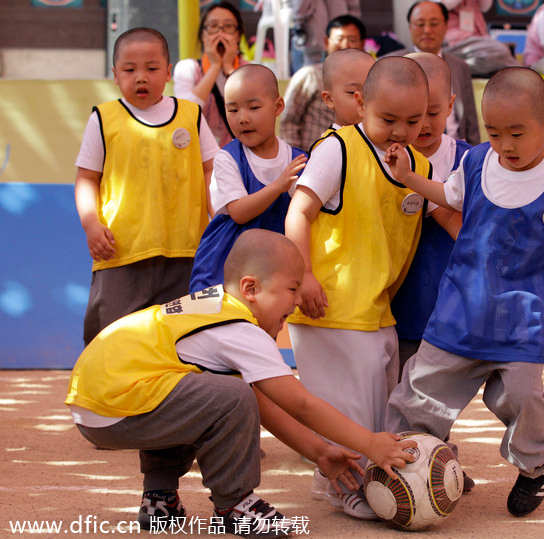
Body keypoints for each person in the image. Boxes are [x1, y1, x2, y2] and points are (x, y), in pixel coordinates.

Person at [383, 66, 544, 517]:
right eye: (494, 132)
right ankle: (405, 464)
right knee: (420, 389)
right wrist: (409, 178)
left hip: (522, 325)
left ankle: (535, 467)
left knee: (522, 399)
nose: (505, 144)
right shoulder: (475, 162)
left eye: (516, 133)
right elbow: (447, 195)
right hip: (459, 315)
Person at [65, 229, 415, 536]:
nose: (296, 302)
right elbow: (300, 404)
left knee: (199, 393)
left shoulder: (214, 307)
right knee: (228, 396)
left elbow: (262, 406)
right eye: (292, 289)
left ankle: (160, 498)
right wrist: (370, 443)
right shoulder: (240, 330)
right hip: (117, 401)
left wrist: (320, 452)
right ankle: (235, 504)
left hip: (100, 402)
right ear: (251, 288)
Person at [284, 56, 455, 520]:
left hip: (377, 310)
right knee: (351, 413)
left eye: (414, 120)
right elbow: (299, 211)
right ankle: (344, 486)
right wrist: (304, 276)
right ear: (360, 104)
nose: (401, 131)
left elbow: (447, 215)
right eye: (388, 119)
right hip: (330, 305)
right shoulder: (337, 149)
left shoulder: (415, 164)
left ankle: (341, 480)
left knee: (381, 414)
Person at [74, 28, 217, 347]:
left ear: (168, 72)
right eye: (129, 69)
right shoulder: (104, 118)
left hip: (186, 253)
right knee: (111, 340)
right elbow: (86, 178)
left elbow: (211, 171)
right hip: (121, 251)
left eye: (152, 68)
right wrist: (91, 224)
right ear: (115, 75)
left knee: (180, 343)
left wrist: (219, 221)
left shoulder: (191, 115)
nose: (141, 77)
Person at [190, 65, 308, 293]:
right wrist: (278, 186)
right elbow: (239, 212)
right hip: (224, 268)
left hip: (274, 270)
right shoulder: (227, 158)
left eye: (253, 107)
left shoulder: (298, 160)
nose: (243, 118)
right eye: (233, 110)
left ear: (278, 107)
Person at [391, 52, 468, 375]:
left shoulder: (470, 161)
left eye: (432, 113)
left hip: (451, 305)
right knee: (395, 386)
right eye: (413, 115)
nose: (423, 124)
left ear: (450, 106)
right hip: (394, 303)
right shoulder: (383, 158)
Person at [384, 1, 481, 146]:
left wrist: (473, 153)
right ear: (410, 27)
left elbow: (470, 122)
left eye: (434, 24)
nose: (427, 30)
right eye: (420, 24)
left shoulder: (460, 67)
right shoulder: (390, 64)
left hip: (455, 149)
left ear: (446, 26)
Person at [280, 14, 367, 152]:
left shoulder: (370, 78)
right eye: (339, 39)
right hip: (310, 154)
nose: (345, 45)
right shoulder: (310, 75)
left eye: (352, 40)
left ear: (362, 44)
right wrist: (298, 156)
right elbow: (289, 120)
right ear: (326, 42)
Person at [173, 1, 248, 146]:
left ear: (238, 35)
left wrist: (229, 68)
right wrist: (215, 66)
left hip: (238, 154)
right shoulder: (187, 68)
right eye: (213, 26)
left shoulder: (250, 70)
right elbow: (184, 113)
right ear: (203, 35)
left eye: (228, 27)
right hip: (199, 154)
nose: (220, 33)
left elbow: (252, 110)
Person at [318, 47, 375, 138]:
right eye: (352, 92)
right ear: (329, 99)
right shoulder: (334, 143)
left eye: (372, 90)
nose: (364, 99)